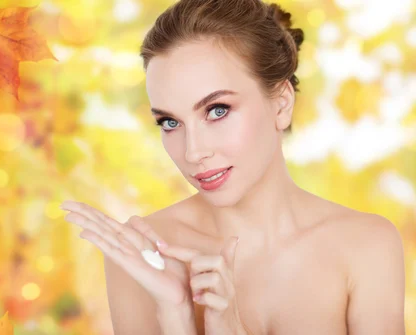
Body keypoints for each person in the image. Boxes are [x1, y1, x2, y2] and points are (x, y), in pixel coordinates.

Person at [60, 0, 406, 334]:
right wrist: (176, 314)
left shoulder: (366, 245)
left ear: (281, 103)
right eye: (169, 122)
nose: (194, 152)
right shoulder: (143, 257)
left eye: (217, 110)